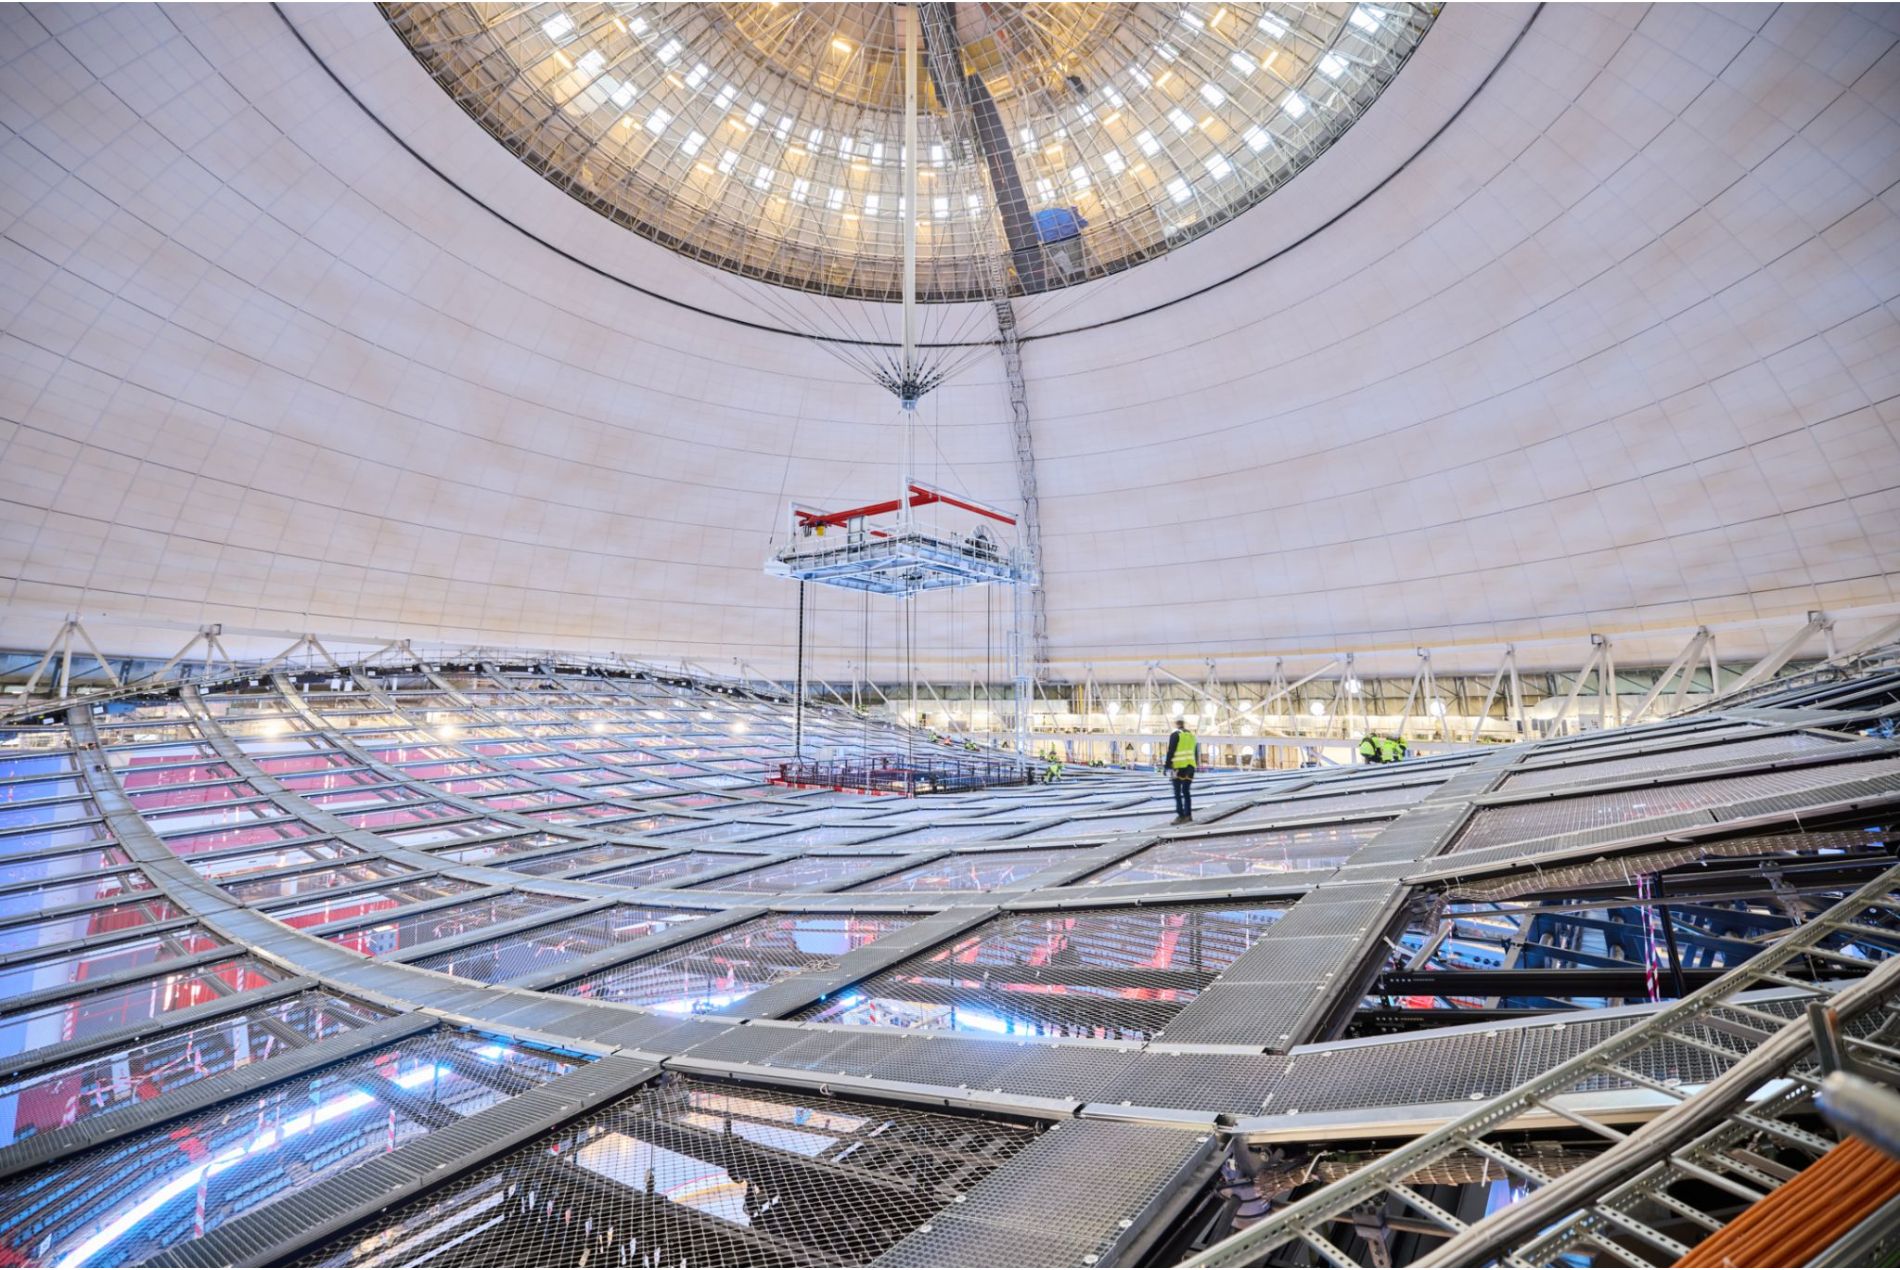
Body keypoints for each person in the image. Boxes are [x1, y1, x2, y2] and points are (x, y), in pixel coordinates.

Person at [1163, 717, 1198, 823]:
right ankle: (1188, 815)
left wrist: (1166, 766)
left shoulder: (1175, 735)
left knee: (1177, 792)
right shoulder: (1192, 736)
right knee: (1186, 791)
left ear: (1176, 724)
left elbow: (1171, 751)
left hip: (1177, 768)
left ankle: (1180, 815)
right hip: (1190, 767)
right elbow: (1195, 752)